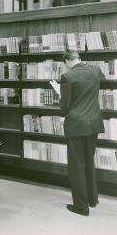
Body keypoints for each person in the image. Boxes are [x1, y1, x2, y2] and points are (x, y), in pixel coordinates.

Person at [60, 50, 105, 216]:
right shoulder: (96, 70)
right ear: (79, 59)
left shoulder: (67, 77)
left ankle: (81, 206)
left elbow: (64, 106)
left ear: (67, 61)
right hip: (93, 124)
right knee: (88, 161)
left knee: (76, 166)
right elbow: (103, 80)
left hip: (76, 126)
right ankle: (92, 199)